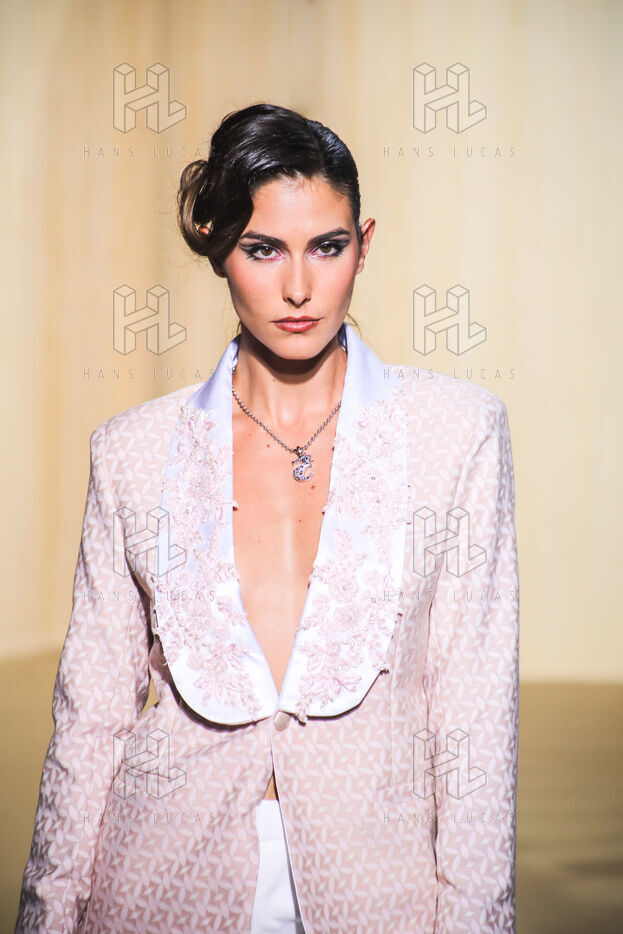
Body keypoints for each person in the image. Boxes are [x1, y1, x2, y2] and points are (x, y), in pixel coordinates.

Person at [15, 102, 520, 933]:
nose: (298, 287)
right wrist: (46, 919)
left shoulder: (455, 433)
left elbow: (474, 716)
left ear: (363, 245)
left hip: (377, 892)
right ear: (217, 247)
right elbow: (89, 721)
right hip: (160, 887)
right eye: (262, 249)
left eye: (326, 246)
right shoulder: (132, 451)